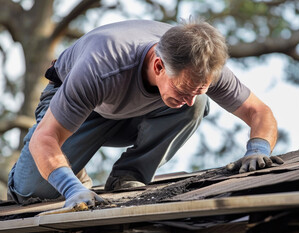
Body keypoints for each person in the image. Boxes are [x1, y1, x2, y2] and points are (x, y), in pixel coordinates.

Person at [7, 19, 283, 208]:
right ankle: (74, 173)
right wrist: (70, 189)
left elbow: (259, 111)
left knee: (198, 105)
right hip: (80, 110)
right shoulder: (102, 66)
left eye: (199, 88)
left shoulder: (202, 65)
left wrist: (258, 148)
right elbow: (46, 138)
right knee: (33, 193)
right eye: (183, 88)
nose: (187, 99)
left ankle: (127, 175)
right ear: (159, 66)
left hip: (130, 115)